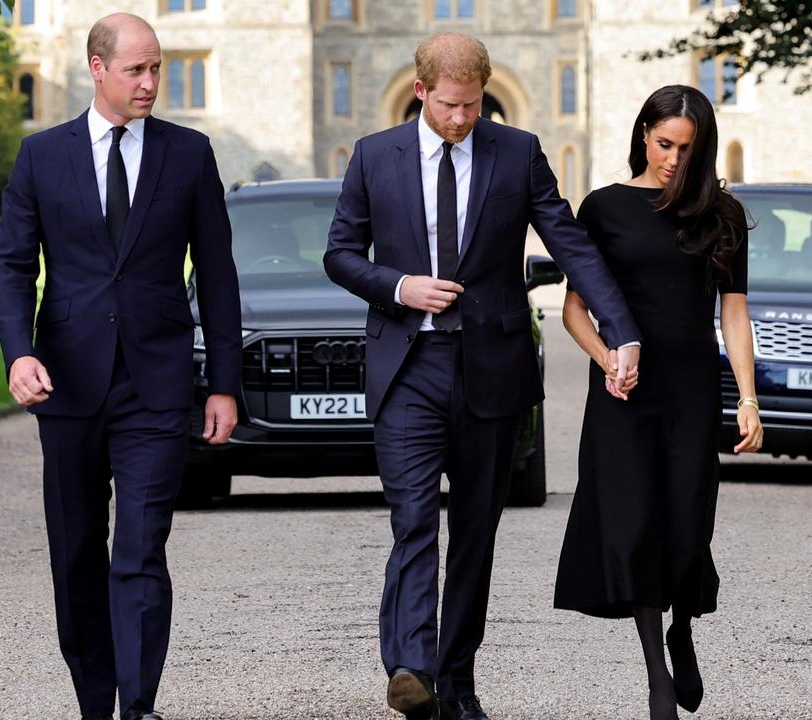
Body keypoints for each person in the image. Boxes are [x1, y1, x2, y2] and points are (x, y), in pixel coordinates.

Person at [324, 32, 641, 720]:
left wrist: (623, 331)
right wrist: (399, 285)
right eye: (449, 105)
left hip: (490, 372)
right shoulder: (375, 156)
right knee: (413, 523)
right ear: (420, 92)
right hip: (408, 366)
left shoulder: (518, 152)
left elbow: (570, 244)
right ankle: (411, 666)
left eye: (472, 106)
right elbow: (341, 255)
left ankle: (457, 684)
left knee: (474, 536)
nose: (462, 118)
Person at [0, 13, 241, 720]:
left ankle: (138, 705)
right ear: (97, 69)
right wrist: (19, 353)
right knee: (75, 555)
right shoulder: (42, 156)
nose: (151, 82)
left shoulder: (189, 155)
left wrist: (223, 383)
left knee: (140, 547)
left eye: (156, 68)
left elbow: (217, 274)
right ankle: (95, 704)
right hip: (66, 383)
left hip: (156, 385)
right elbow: (11, 262)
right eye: (137, 69)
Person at [553, 84, 762, 720]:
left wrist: (748, 399)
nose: (672, 158)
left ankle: (684, 630)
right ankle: (656, 678)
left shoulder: (721, 214)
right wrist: (606, 360)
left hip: (693, 391)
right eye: (664, 142)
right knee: (631, 523)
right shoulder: (604, 208)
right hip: (624, 394)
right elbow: (573, 309)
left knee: (685, 523)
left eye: (686, 148)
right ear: (644, 133)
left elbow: (734, 312)